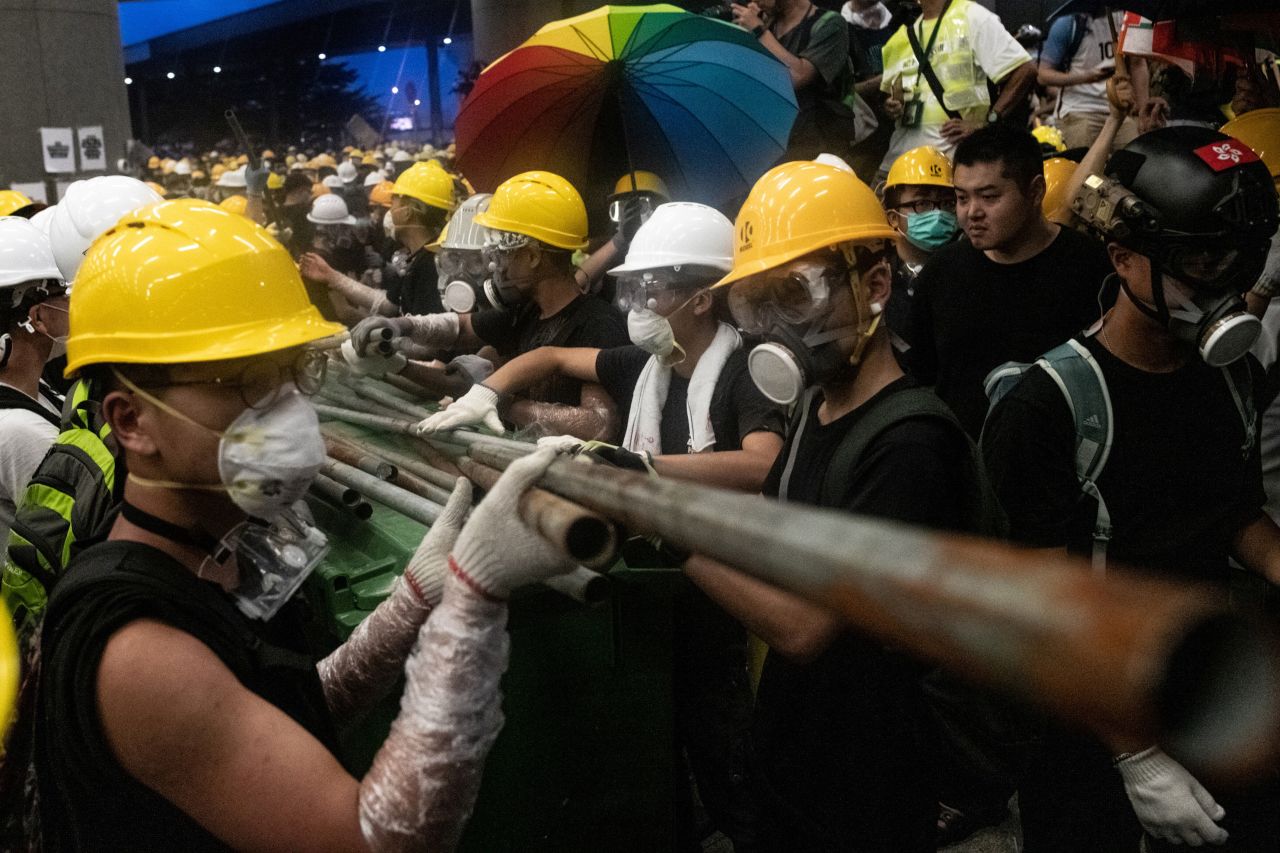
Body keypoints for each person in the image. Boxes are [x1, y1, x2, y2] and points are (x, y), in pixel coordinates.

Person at [31, 197, 581, 850]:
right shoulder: (141, 653)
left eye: (293, 376)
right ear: (130, 420)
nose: (288, 412)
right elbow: (373, 839)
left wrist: (414, 600)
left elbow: (291, 709)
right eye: (245, 383)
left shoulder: (216, 551)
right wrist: (472, 601)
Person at [421, 201, 785, 850]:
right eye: (634, 286)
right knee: (658, 741)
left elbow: (761, 463)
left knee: (728, 751)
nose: (639, 302)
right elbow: (552, 362)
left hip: (722, 592)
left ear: (702, 298)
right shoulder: (648, 365)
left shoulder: (741, 369)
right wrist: (487, 393)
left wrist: (636, 466)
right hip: (653, 583)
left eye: (655, 288)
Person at [983, 126, 1280, 852]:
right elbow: (1044, 606)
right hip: (1088, 726)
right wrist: (1134, 755)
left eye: (1238, 261)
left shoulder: (1235, 376)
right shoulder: (1046, 406)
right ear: (1123, 259)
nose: (1222, 285)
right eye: (1199, 260)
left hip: (1208, 694)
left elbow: (1231, 507)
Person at [686, 160, 996, 853]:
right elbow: (778, 533)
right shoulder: (816, 409)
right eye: (757, 304)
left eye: (795, 295)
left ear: (876, 284)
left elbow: (803, 627)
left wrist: (670, 533)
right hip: (796, 752)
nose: (774, 328)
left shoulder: (909, 444)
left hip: (867, 781)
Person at [345, 171, 629, 439]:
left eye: (502, 254)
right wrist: (401, 326)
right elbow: (461, 328)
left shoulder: (597, 324)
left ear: (531, 257)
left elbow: (598, 424)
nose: (496, 266)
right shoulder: (529, 311)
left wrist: (500, 403)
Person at [905, 123, 1114, 438]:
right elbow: (921, 378)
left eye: (989, 197)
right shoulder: (940, 274)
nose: (972, 212)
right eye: (961, 198)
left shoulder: (1092, 268)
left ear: (1035, 192)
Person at [877, 0, 1036, 177]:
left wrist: (987, 123)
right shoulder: (901, 36)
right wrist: (891, 105)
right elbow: (893, 96)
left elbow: (1025, 69)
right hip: (899, 161)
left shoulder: (972, 16)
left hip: (951, 165)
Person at [301, 159, 457, 319]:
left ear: (407, 212)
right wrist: (331, 276)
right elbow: (387, 304)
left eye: (394, 201)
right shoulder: (420, 258)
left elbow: (428, 334)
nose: (390, 209)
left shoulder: (431, 265)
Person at [0, 219, 67, 548]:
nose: (70, 304)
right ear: (37, 317)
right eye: (60, 294)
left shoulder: (32, 391)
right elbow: (79, 536)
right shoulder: (18, 432)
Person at [733, 0, 857, 160]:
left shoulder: (830, 23)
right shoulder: (769, 23)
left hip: (817, 144)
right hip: (775, 140)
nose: (754, 2)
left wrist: (759, 31)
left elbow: (797, 76)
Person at [878, 145, 958, 353]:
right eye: (922, 203)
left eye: (948, 203)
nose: (939, 213)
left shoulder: (971, 271)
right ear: (893, 218)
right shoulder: (877, 283)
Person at [1038, 9, 1143, 150]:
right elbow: (1043, 75)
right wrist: (1087, 77)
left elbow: (1138, 64)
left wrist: (1142, 110)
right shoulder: (1069, 23)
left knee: (1134, 161)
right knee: (1085, 168)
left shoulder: (1126, 17)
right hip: (1079, 110)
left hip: (1120, 111)